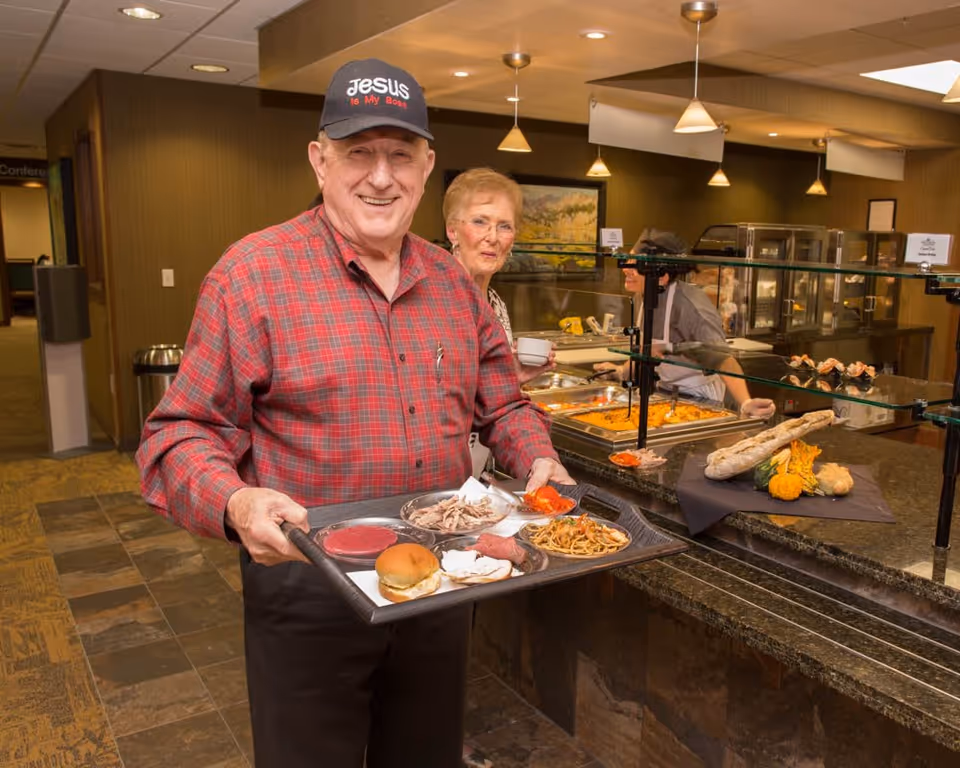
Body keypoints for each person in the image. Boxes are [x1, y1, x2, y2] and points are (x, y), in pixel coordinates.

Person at [136, 58, 574, 768]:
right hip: (309, 594)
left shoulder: (453, 287)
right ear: (319, 160)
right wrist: (237, 500)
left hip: (437, 582)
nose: (380, 176)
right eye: (357, 153)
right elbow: (178, 434)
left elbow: (506, 402)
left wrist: (537, 456)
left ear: (426, 167)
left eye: (399, 155)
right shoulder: (253, 275)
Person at [594, 229, 775, 420]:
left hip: (700, 398)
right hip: (665, 394)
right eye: (628, 259)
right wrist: (622, 371)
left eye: (635, 264)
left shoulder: (691, 307)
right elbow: (647, 350)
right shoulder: (642, 296)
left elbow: (723, 359)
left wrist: (745, 403)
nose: (626, 268)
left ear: (661, 276)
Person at [443, 168, 555, 384]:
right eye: (479, 222)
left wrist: (514, 376)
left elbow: (489, 392)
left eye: (504, 226)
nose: (493, 237)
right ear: (452, 230)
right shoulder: (435, 297)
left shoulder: (496, 304)